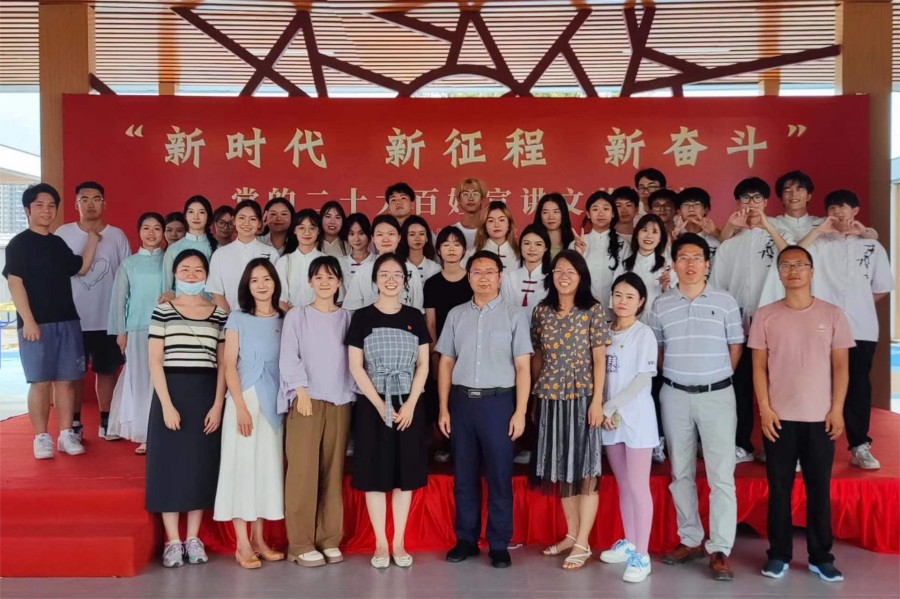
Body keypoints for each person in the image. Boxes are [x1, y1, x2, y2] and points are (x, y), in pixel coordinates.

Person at [749, 246, 853, 583]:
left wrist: (837, 410)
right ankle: (778, 555)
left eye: (800, 265)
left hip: (821, 418)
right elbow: (758, 367)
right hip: (779, 419)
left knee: (818, 489)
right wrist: (765, 409)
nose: (793, 271)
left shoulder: (833, 315)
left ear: (812, 271)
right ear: (778, 273)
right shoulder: (765, 315)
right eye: (786, 266)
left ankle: (821, 557)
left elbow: (842, 367)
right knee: (779, 489)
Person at [649, 233, 744, 581]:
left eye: (696, 258)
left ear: (707, 264)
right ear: (673, 265)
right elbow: (658, 350)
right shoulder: (660, 305)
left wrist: (714, 378)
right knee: (681, 472)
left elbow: (736, 346)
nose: (689, 264)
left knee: (721, 475)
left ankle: (720, 548)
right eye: (683, 258)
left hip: (717, 395)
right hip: (675, 394)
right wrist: (681, 377)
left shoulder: (726, 301)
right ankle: (690, 539)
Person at [437, 251, 532, 569]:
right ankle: (466, 539)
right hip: (462, 403)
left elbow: (523, 367)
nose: (483, 277)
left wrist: (520, 412)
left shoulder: (514, 315)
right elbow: (446, 362)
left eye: (490, 272)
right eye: (477, 272)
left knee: (500, 475)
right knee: (464, 475)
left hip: (499, 404)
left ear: (500, 277)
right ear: (469, 277)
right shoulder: (456, 315)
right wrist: (443, 408)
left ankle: (499, 543)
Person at [798, 190, 894, 470]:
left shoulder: (872, 247)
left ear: (855, 211)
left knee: (858, 387)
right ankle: (808, 447)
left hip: (861, 327)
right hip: (818, 326)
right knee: (813, 385)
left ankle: (859, 445)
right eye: (832, 208)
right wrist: (819, 231)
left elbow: (881, 287)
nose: (838, 213)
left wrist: (856, 304)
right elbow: (795, 256)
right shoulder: (818, 243)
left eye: (843, 207)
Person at [346, 253, 431, 569]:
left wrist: (410, 404)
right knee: (374, 474)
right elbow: (356, 367)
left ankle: (399, 543)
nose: (391, 279)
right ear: (375, 280)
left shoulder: (415, 316)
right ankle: (381, 543)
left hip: (409, 404)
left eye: (397, 274)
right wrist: (381, 404)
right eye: (384, 274)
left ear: (406, 281)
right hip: (372, 404)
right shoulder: (362, 316)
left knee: (403, 474)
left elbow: (424, 364)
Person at [4, 183, 98, 459]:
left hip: (67, 321)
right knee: (40, 382)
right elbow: (15, 283)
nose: (46, 210)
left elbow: (81, 268)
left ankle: (66, 434)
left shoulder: (57, 243)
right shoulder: (19, 244)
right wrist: (28, 321)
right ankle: (41, 437)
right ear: (27, 210)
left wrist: (93, 241)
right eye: (39, 205)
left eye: (51, 206)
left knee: (67, 381)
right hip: (36, 325)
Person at [146, 249, 226, 568]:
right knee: (168, 466)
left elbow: (223, 364)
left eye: (198, 270)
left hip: (205, 393)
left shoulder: (218, 313)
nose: (191, 275)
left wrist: (218, 404)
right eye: (185, 269)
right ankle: (173, 540)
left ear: (207, 275)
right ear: (175, 274)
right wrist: (166, 405)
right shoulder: (163, 310)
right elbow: (155, 361)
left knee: (199, 466)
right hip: (171, 392)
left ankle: (193, 538)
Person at [531, 250, 609, 571]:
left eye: (571, 271)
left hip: (583, 398)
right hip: (550, 396)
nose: (564, 276)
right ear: (551, 276)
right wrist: (534, 397)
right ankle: (572, 534)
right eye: (559, 270)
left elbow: (600, 359)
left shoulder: (593, 310)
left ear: (581, 277)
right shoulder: (541, 311)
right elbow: (537, 356)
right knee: (562, 468)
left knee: (586, 470)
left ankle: (583, 542)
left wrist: (597, 401)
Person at [280, 256, 356, 568]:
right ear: (310, 282)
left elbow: (354, 360)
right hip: (306, 401)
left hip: (340, 401)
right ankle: (299, 543)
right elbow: (289, 355)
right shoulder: (297, 316)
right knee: (302, 473)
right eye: (319, 277)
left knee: (332, 473)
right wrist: (301, 391)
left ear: (339, 282)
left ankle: (329, 538)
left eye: (331, 277)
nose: (325, 282)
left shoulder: (348, 317)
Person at [709, 178, 789, 464]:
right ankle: (742, 443)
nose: (751, 203)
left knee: (777, 387)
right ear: (738, 203)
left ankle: (777, 448)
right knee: (740, 387)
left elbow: (791, 258)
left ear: (766, 202)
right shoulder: (729, 245)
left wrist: (768, 227)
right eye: (745, 198)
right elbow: (717, 286)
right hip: (739, 325)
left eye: (757, 198)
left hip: (773, 322)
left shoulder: (779, 234)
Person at [214, 259, 285, 569]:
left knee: (267, 469)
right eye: (255, 280)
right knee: (241, 469)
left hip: (275, 402)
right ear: (247, 285)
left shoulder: (285, 317)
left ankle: (259, 540)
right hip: (244, 399)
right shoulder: (237, 318)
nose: (261, 285)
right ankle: (242, 544)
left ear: (275, 282)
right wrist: (240, 406)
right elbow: (229, 364)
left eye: (266, 279)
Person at [56, 181, 131, 440]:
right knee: (72, 373)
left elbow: (126, 278)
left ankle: (107, 421)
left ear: (104, 203)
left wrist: (123, 318)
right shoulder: (63, 234)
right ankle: (74, 423)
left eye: (96, 199)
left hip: (107, 319)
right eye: (84, 199)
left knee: (107, 371)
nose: (90, 204)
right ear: (76, 204)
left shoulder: (117, 236)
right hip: (71, 318)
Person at [599, 273, 659, 583]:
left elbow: (643, 379)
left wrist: (610, 406)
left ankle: (642, 555)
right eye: (618, 295)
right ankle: (630, 542)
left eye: (630, 296)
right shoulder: (604, 331)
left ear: (641, 302)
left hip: (636, 419)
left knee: (638, 485)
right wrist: (601, 406)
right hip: (610, 420)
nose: (622, 301)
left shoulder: (643, 334)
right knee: (623, 484)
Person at [613, 213, 675, 464]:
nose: (649, 235)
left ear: (661, 238)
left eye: (655, 231)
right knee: (627, 385)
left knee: (656, 386)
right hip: (628, 334)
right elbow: (616, 295)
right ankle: (621, 434)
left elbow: (674, 301)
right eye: (644, 230)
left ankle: (656, 440)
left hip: (657, 333)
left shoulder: (667, 264)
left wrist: (667, 287)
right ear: (636, 234)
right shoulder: (625, 263)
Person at [107, 212, 166, 454]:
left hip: (167, 328)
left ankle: (162, 432)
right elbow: (119, 301)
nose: (151, 233)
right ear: (139, 232)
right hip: (138, 328)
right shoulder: (129, 264)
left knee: (162, 381)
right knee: (140, 381)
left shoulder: (170, 261)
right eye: (146, 228)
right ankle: (144, 433)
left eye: (157, 228)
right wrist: (121, 332)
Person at [424, 226, 473, 462]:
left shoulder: (473, 280)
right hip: (443, 353)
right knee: (441, 397)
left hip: (470, 351)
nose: (451, 249)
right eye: (446, 244)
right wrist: (435, 356)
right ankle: (444, 444)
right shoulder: (432, 283)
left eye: (456, 244)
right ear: (438, 250)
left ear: (464, 249)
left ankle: (465, 446)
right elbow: (431, 324)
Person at [207, 200, 278, 314]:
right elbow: (217, 294)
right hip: (230, 319)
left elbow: (276, 290)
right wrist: (232, 320)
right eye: (242, 218)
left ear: (260, 223)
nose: (247, 223)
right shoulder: (220, 254)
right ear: (234, 221)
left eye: (253, 219)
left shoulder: (271, 253)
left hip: (264, 317)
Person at [342, 215, 424, 312]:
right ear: (373, 239)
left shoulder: (411, 270)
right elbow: (351, 310)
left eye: (391, 234)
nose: (386, 239)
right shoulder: (362, 271)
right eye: (380, 234)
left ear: (399, 237)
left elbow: (417, 310)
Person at [572, 190, 629, 307]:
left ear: (613, 213)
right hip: (582, 308)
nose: (601, 214)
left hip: (614, 309)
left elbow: (626, 279)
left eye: (606, 209)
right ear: (588, 214)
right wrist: (578, 254)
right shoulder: (576, 244)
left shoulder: (623, 245)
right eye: (595, 209)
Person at [162, 195, 218, 291]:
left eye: (201, 212)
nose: (196, 217)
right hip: (180, 300)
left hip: (208, 300)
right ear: (185, 216)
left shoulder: (217, 248)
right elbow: (166, 288)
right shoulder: (173, 249)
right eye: (191, 212)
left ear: (208, 216)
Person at [275, 209, 326, 310]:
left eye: (312, 228)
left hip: (320, 316)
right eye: (301, 228)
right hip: (289, 316)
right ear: (294, 230)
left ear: (319, 231)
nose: (307, 232)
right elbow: (280, 298)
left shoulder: (326, 261)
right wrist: (294, 316)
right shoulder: (285, 261)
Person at [500, 224, 550, 318]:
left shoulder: (552, 278)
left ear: (546, 248)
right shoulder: (508, 278)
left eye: (538, 244)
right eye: (527, 243)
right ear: (520, 246)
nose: (532, 248)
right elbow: (505, 312)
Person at [468, 200, 519, 272]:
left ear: (509, 225)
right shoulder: (472, 253)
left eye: (501, 220)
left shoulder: (520, 253)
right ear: (484, 226)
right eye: (491, 221)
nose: (497, 225)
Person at [673, 187, 720, 261]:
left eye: (697, 204)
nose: (691, 209)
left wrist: (716, 234)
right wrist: (673, 239)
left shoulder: (716, 238)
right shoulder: (673, 236)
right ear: (679, 211)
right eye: (686, 204)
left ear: (706, 210)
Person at [399, 215, 441, 282]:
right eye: (412, 234)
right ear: (405, 238)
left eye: (421, 234)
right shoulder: (398, 266)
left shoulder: (435, 268)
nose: (417, 238)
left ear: (427, 238)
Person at [532, 193, 574, 258]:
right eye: (545, 212)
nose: (551, 217)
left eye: (556, 212)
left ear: (563, 214)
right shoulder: (532, 246)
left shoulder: (573, 244)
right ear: (539, 215)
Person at [450, 177, 486, 249]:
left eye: (475, 194)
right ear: (459, 200)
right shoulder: (452, 232)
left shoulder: (490, 230)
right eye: (465, 194)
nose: (471, 198)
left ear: (482, 199)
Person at [338, 213, 375, 281]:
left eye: (361, 233)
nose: (356, 239)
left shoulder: (378, 261)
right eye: (352, 234)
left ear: (368, 234)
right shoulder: (340, 263)